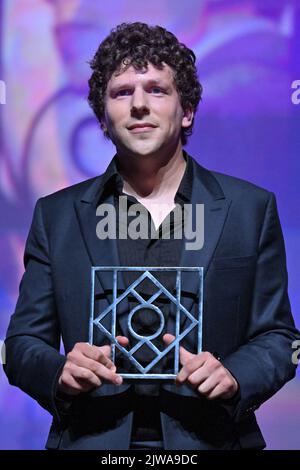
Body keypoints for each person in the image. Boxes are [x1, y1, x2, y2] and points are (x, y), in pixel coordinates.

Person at [4, 22, 299, 450]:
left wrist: (235, 374)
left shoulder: (249, 210)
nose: (139, 105)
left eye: (157, 89)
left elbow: (280, 338)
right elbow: (21, 344)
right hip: (94, 440)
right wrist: (58, 372)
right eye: (122, 92)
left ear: (187, 110)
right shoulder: (58, 216)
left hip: (211, 439)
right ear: (103, 116)